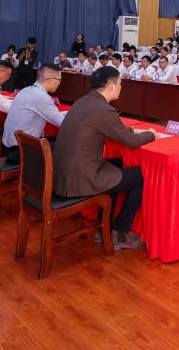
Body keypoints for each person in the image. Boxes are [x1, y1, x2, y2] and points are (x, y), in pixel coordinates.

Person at [53, 66, 155, 250]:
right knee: (141, 176)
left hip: (65, 173)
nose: (121, 88)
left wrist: (131, 130)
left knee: (118, 164)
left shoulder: (83, 101)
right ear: (111, 86)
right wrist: (152, 134)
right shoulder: (103, 109)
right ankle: (120, 231)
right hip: (79, 178)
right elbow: (132, 142)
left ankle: (104, 227)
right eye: (120, 84)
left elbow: (108, 128)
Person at [2, 65, 67, 165]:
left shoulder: (26, 90)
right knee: (66, 146)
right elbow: (63, 123)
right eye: (59, 80)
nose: (59, 83)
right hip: (20, 151)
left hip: (8, 148)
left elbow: (52, 115)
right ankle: (49, 175)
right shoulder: (42, 97)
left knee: (54, 142)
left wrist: (68, 113)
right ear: (50, 79)